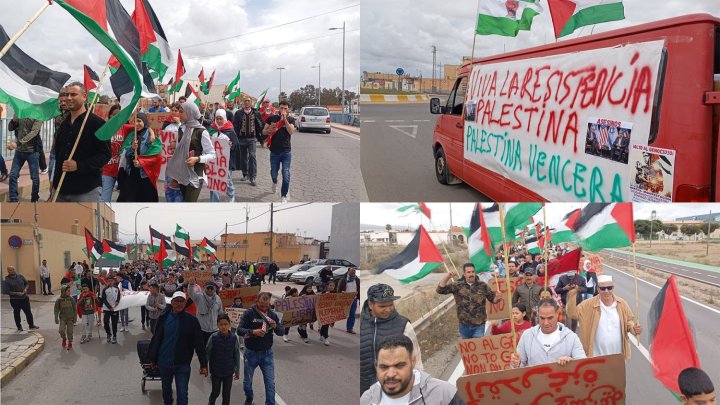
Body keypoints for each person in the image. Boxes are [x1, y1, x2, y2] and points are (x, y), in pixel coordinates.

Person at [360, 335, 464, 405]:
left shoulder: (444, 395)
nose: (390, 374)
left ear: (413, 361)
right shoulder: (367, 399)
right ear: (376, 366)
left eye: (399, 365)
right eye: (384, 367)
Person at [51, 82, 111, 201]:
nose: (68, 98)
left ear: (84, 96)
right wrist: (53, 181)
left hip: (86, 190)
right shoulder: (63, 124)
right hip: (60, 189)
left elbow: (105, 155)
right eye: (67, 94)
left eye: (73, 94)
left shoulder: (97, 124)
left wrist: (79, 165)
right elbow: (58, 156)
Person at [360, 283, 423, 394]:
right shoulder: (360, 324)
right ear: (370, 304)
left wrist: (418, 387)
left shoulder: (403, 325)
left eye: (390, 305)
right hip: (365, 390)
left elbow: (416, 358)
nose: (388, 309)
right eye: (382, 306)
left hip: (396, 389)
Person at [148, 291, 208, 405]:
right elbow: (157, 338)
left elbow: (199, 344)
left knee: (182, 393)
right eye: (177, 301)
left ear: (185, 303)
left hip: (182, 364)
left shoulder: (192, 321)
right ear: (172, 302)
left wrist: (203, 364)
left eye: (182, 301)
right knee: (166, 392)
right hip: (164, 363)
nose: (179, 304)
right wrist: (153, 358)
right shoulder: (163, 318)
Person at [566, 275, 642, 359]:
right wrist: (572, 295)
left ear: (613, 288)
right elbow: (572, 313)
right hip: (595, 357)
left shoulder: (622, 303)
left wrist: (634, 329)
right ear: (598, 289)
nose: (606, 291)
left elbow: (628, 321)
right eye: (603, 288)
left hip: (617, 357)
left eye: (609, 288)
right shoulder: (587, 305)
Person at [510, 297, 586, 368]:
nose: (546, 323)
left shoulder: (571, 337)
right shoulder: (527, 336)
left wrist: (571, 362)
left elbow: (582, 366)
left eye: (550, 318)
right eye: (542, 318)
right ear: (538, 315)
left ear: (557, 314)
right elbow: (518, 366)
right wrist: (516, 363)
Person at [237, 291, 283, 405]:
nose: (264, 308)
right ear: (257, 301)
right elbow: (239, 330)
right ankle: (249, 398)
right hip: (251, 353)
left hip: (267, 354)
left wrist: (275, 326)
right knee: (247, 383)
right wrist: (253, 332)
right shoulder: (249, 313)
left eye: (266, 306)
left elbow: (281, 332)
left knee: (270, 384)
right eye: (261, 305)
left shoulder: (272, 315)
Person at [165, 101, 216, 202]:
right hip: (182, 175)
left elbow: (212, 154)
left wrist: (197, 159)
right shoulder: (182, 128)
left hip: (196, 175)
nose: (179, 114)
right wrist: (175, 145)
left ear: (190, 112)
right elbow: (180, 151)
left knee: (190, 203)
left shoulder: (201, 131)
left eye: (181, 112)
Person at [437, 263, 503, 339]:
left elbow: (493, 299)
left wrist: (497, 298)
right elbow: (440, 290)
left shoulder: (483, 285)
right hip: (464, 325)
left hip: (479, 324)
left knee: (478, 348)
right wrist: (447, 276)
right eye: (468, 272)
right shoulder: (457, 285)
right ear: (464, 274)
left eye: (472, 272)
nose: (471, 274)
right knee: (468, 349)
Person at [117, 113, 162, 202]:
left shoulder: (151, 137)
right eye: (134, 121)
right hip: (131, 174)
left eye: (139, 121)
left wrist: (141, 163)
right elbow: (122, 152)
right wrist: (131, 148)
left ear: (144, 122)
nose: (136, 123)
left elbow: (156, 156)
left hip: (145, 176)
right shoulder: (131, 135)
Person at [263, 100, 295, 203]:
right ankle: (274, 182)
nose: (283, 110)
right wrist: (270, 130)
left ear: (288, 109)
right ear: (278, 108)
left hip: (286, 151)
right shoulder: (272, 118)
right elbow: (264, 131)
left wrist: (285, 119)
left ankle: (283, 196)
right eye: (281, 108)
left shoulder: (291, 119)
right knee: (273, 173)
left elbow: (291, 131)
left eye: (285, 108)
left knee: (286, 174)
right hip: (274, 151)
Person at [206, 314, 241, 405]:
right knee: (215, 392)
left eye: (225, 324)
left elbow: (236, 354)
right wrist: (204, 367)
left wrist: (237, 370)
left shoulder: (234, 338)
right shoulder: (213, 337)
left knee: (226, 394)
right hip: (216, 371)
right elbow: (207, 353)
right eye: (221, 325)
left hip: (229, 371)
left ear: (229, 324)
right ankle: (211, 402)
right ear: (217, 325)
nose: (223, 327)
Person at [7, 116, 42, 202]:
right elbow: (10, 128)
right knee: (13, 175)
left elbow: (34, 133)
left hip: (32, 151)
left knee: (34, 177)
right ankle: (13, 199)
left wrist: (18, 143)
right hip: (19, 152)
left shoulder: (38, 115)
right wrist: (14, 120)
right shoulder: (21, 113)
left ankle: (34, 198)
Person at [208, 109, 240, 202]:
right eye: (217, 119)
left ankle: (231, 194)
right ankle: (215, 202)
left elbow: (236, 144)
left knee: (227, 180)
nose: (218, 121)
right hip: (214, 161)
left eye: (220, 119)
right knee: (214, 181)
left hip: (226, 162)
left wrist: (231, 145)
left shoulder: (230, 130)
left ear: (224, 118)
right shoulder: (211, 129)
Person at [232, 97, 263, 186]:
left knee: (252, 156)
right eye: (245, 101)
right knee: (243, 157)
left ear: (251, 103)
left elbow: (260, 125)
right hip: (241, 139)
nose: (247, 102)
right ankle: (245, 174)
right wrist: (235, 138)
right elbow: (235, 126)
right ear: (243, 103)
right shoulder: (238, 113)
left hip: (252, 139)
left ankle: (252, 177)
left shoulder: (256, 113)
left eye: (248, 101)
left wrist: (262, 138)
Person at [100, 104, 125, 202]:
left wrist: (151, 132)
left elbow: (141, 126)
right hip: (107, 171)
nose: (116, 117)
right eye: (114, 114)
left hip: (121, 171)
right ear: (110, 115)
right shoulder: (103, 128)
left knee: (125, 199)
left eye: (119, 115)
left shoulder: (124, 127)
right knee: (104, 200)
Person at [4, 266, 39, 332]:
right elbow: (6, 291)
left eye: (13, 269)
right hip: (15, 300)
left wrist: (25, 289)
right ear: (8, 271)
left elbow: (27, 283)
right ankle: (19, 326)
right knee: (17, 313)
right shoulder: (7, 280)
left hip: (24, 298)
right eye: (11, 270)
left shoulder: (20, 276)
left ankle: (31, 325)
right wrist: (16, 293)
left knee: (28, 312)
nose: (13, 271)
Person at [189, 280, 224, 345]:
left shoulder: (218, 298)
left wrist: (222, 325)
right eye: (208, 288)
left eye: (212, 288)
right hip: (202, 329)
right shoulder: (199, 297)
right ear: (205, 288)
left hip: (214, 329)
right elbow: (191, 293)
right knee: (202, 347)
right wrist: (191, 285)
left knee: (213, 348)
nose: (210, 290)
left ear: (214, 289)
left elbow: (220, 312)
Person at [337, 267, 360, 334]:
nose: (353, 272)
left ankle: (350, 328)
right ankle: (332, 321)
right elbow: (339, 289)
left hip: (354, 299)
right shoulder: (344, 279)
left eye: (354, 271)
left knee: (352, 314)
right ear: (348, 271)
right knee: (340, 313)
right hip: (345, 299)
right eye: (352, 271)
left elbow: (358, 289)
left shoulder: (357, 279)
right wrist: (341, 292)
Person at [54, 285, 77, 350]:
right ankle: (64, 338)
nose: (69, 292)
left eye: (69, 291)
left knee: (70, 331)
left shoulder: (71, 299)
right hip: (63, 318)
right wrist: (56, 318)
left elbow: (75, 309)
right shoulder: (59, 300)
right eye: (68, 291)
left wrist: (75, 318)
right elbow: (56, 309)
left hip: (70, 318)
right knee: (61, 331)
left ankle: (70, 342)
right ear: (63, 291)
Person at [100, 276, 121, 344]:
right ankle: (108, 334)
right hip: (107, 309)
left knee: (114, 323)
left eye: (111, 281)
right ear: (107, 281)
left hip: (115, 308)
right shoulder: (105, 289)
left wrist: (117, 301)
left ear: (114, 281)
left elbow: (119, 296)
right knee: (106, 322)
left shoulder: (116, 288)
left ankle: (114, 336)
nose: (110, 282)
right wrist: (109, 307)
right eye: (109, 281)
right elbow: (104, 299)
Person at [318, 280, 337, 346]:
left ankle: (321, 334)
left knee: (325, 324)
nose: (332, 287)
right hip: (324, 312)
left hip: (331, 312)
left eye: (333, 286)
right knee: (325, 324)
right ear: (327, 286)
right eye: (330, 285)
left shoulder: (336, 293)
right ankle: (326, 338)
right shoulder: (323, 292)